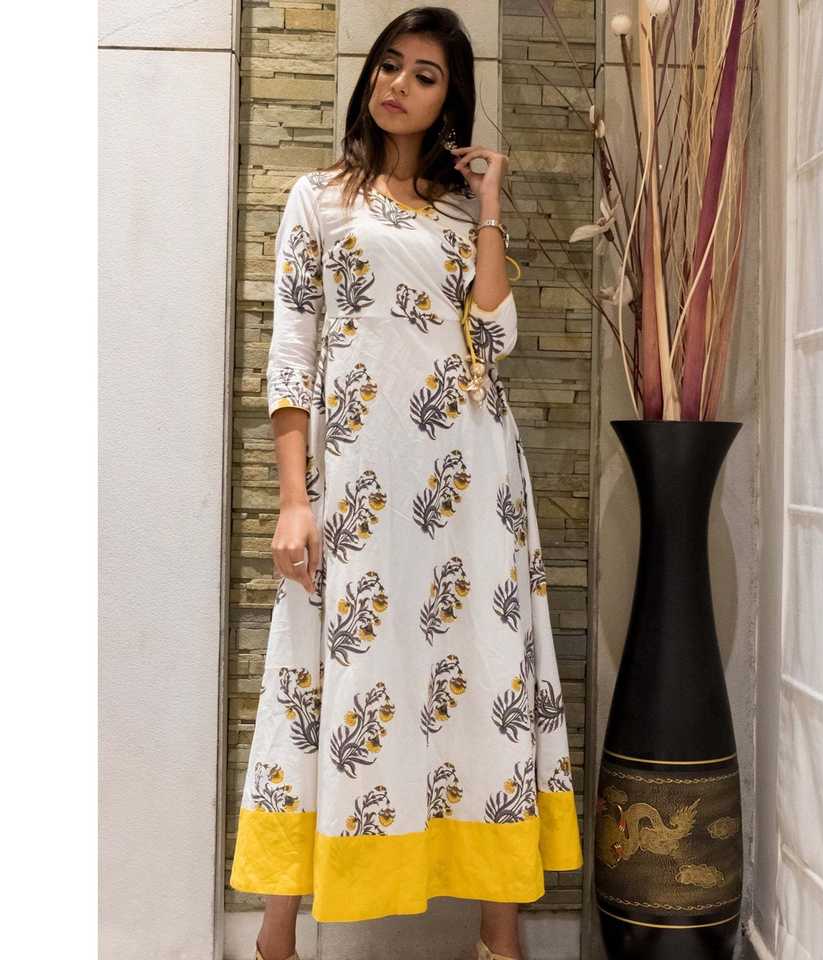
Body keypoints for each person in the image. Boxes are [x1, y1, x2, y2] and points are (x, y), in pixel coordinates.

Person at [228, 8, 583, 960]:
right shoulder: (317, 199)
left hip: (472, 489)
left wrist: (491, 206)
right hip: (356, 487)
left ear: (448, 99)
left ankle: (500, 939)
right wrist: (295, 500)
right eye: (391, 65)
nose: (398, 85)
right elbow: (292, 356)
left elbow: (495, 338)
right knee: (317, 677)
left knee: (483, 675)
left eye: (425, 75)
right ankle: (274, 940)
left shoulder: (463, 215)